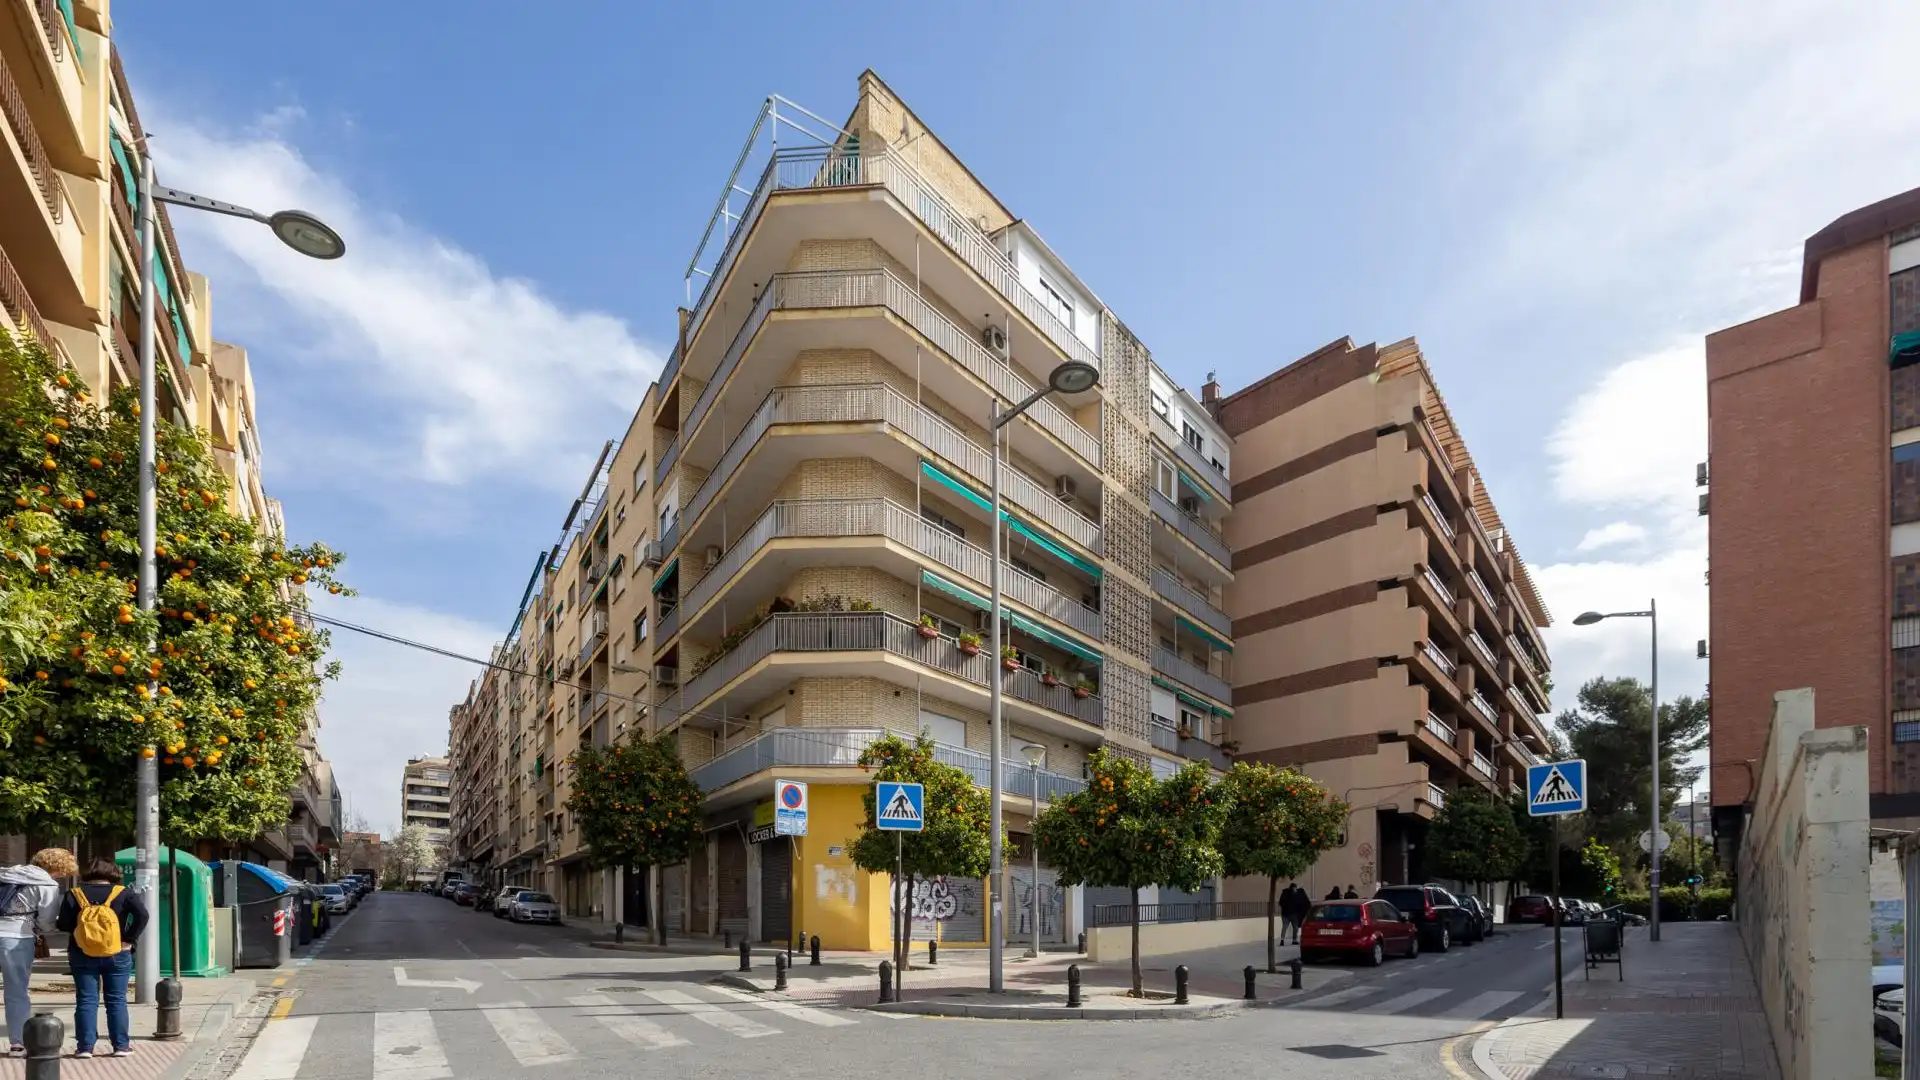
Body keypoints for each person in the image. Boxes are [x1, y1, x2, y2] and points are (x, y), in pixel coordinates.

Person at [55, 859, 148, 1059]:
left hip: (81, 952)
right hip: (117, 952)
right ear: (113, 873)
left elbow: (63, 924)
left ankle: (85, 1048)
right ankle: (121, 1046)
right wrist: (129, 939)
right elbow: (143, 915)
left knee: (86, 1000)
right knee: (116, 1000)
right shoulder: (123, 893)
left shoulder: (74, 894)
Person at [0, 849, 74, 1056]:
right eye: (63, 871)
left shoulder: (5, 873)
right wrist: (45, 930)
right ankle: (17, 1043)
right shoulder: (46, 884)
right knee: (16, 992)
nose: (62, 875)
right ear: (57, 868)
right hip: (17, 937)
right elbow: (46, 921)